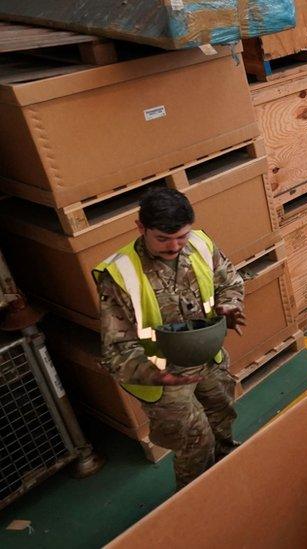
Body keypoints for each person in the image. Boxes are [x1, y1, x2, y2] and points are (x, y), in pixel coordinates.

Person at [94, 188, 245, 489]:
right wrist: (159, 375)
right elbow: (116, 351)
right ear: (141, 228)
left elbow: (230, 282)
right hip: (161, 374)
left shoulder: (201, 244)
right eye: (163, 238)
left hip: (208, 359)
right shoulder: (120, 274)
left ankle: (228, 475)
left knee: (222, 416)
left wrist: (229, 304)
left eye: (181, 236)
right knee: (194, 440)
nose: (174, 246)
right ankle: (195, 499)